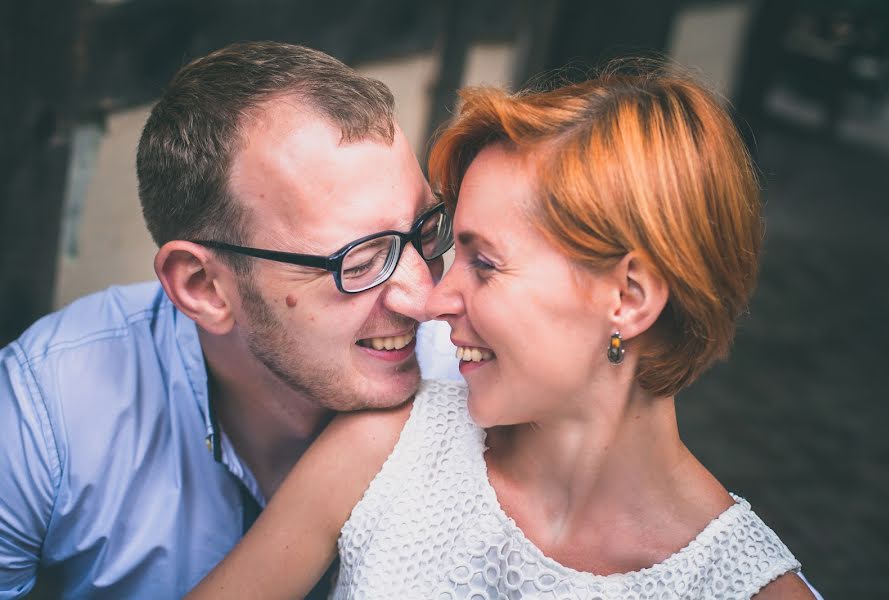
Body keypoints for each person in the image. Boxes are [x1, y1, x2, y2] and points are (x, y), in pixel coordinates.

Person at [187, 64, 819, 599]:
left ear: (627, 298)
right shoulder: (386, 449)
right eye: (451, 248)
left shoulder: (748, 588)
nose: (434, 299)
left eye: (484, 263)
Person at [0, 41, 461, 599]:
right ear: (204, 287)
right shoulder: (46, 416)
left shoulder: (470, 373)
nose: (425, 296)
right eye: (360, 262)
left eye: (426, 231)